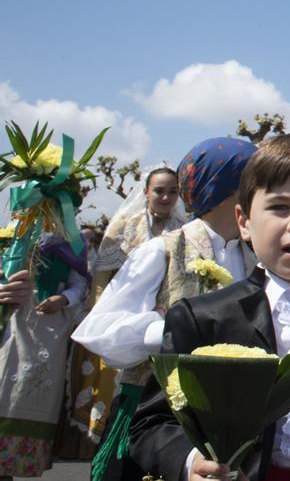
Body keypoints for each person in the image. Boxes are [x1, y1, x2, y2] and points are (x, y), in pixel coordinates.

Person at [129, 133, 290, 481]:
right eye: (280, 206)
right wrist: (191, 463)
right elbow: (151, 424)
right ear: (244, 221)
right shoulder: (207, 318)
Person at [72, 137, 257, 481]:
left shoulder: (254, 255)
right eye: (258, 182)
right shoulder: (163, 251)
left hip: (225, 417)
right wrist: (170, 330)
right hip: (155, 416)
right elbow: (97, 329)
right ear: (228, 189)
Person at [60, 169, 187, 459]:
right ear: (146, 192)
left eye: (172, 191)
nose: (166, 197)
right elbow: (102, 276)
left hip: (165, 321)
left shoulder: (185, 228)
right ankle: (109, 453)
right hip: (124, 318)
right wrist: (105, 316)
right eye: (159, 190)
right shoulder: (124, 227)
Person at [0, 234, 89, 478]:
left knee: (25, 396)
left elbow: (81, 285)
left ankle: (10, 466)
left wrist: (63, 299)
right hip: (9, 320)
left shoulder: (73, 242)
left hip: (46, 327)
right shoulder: (13, 234)